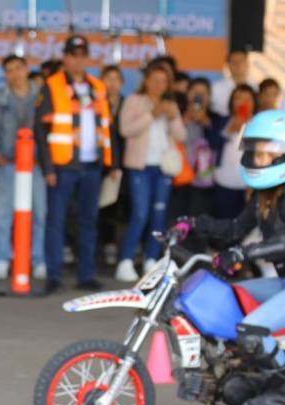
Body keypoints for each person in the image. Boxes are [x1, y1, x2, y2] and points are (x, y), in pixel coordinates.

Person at [191, 110, 285, 405]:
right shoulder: (266, 193)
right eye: (256, 152)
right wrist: (193, 224)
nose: (258, 159)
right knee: (229, 296)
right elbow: (234, 229)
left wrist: (244, 254)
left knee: (252, 330)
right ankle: (244, 374)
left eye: (267, 153)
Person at [34, 35, 114, 293]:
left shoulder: (97, 86)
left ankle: (86, 275)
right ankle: (54, 275)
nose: (77, 60)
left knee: (88, 222)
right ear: (65, 58)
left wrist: (112, 163)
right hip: (63, 165)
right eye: (72, 55)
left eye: (82, 55)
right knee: (56, 222)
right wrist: (48, 168)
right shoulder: (52, 85)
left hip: (92, 164)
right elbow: (40, 129)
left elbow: (107, 125)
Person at [115, 61, 185, 282]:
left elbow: (182, 136)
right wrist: (152, 114)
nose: (158, 85)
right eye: (154, 81)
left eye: (163, 82)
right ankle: (125, 260)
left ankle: (152, 259)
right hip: (140, 167)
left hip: (163, 168)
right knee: (140, 213)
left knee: (159, 214)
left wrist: (172, 118)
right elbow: (125, 129)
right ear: (146, 81)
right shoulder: (134, 101)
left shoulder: (170, 103)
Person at [0, 54, 46, 280]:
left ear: (26, 69)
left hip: (36, 164)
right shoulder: (0, 98)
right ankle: (1, 258)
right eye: (9, 70)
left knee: (39, 214)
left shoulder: (41, 95)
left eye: (18, 68)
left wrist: (47, 159)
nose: (15, 73)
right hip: (8, 163)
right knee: (3, 215)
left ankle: (37, 259)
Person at [210, 84, 258, 219]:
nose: (242, 103)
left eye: (247, 99)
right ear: (231, 102)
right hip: (224, 181)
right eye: (238, 99)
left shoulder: (260, 123)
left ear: (254, 102)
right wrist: (229, 130)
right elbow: (213, 143)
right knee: (223, 222)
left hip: (249, 185)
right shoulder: (223, 121)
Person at [98, 64, 125, 266]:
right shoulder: (97, 103)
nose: (112, 84)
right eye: (108, 79)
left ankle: (117, 245)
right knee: (104, 206)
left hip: (127, 161)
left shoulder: (127, 103)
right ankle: (106, 243)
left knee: (122, 205)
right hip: (102, 162)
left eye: (116, 79)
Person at [180, 77, 218, 218]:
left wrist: (207, 123)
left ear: (209, 96)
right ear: (187, 93)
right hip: (180, 176)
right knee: (178, 219)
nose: (198, 97)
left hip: (204, 180)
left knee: (198, 217)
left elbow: (218, 143)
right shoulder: (178, 113)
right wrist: (183, 121)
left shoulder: (215, 118)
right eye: (195, 92)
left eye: (203, 93)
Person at [211, 50, 252, 116]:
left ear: (247, 64)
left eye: (241, 61)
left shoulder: (255, 87)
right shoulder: (216, 88)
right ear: (228, 65)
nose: (238, 65)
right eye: (234, 62)